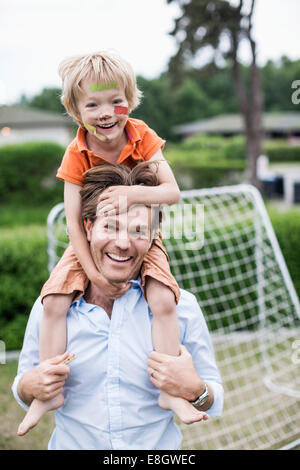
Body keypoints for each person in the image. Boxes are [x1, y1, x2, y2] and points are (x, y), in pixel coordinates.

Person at [17, 50, 194, 435]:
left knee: (163, 299)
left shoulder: (142, 135)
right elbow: (73, 224)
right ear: (76, 111)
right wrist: (94, 272)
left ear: (129, 100)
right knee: (54, 301)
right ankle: (48, 392)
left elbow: (172, 192)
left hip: (144, 235)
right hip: (88, 242)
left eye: (117, 101)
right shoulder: (76, 154)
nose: (107, 112)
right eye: (93, 104)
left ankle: (170, 391)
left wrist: (130, 197)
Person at [12, 163, 224, 450]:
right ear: (87, 228)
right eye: (110, 227)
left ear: (153, 237)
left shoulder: (180, 306)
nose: (122, 243)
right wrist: (29, 387)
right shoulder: (52, 306)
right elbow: (22, 387)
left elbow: (213, 397)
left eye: (138, 231)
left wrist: (197, 391)